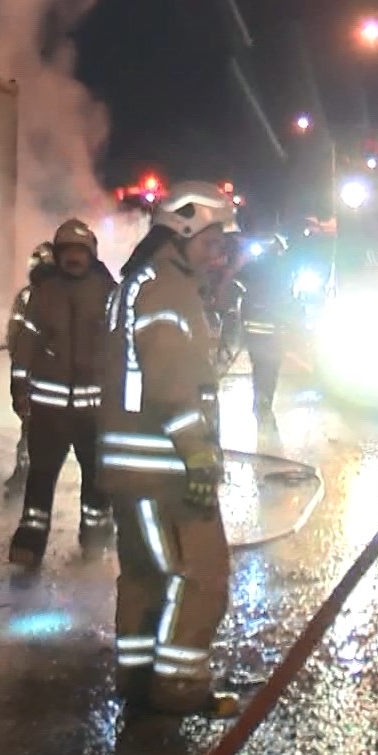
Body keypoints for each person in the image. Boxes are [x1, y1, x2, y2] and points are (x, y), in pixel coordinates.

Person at [98, 181, 241, 717]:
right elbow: (169, 383)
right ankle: (178, 690)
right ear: (181, 231)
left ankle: (137, 679)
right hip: (162, 468)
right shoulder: (166, 289)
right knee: (201, 575)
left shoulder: (142, 283)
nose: (218, 253)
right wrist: (198, 453)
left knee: (143, 575)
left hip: (133, 465)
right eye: (212, 240)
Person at [7, 221, 115, 565]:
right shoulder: (44, 293)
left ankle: (95, 538)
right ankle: (30, 541)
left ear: (91, 256)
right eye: (67, 252)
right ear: (58, 255)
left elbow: (121, 346)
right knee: (40, 477)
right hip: (49, 412)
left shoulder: (108, 293)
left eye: (80, 252)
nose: (73, 259)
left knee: (97, 479)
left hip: (93, 412)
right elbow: (26, 343)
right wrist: (19, 385)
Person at [4, 242, 55, 496]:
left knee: (31, 432)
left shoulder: (28, 296)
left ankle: (23, 481)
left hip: (38, 380)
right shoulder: (60, 295)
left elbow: (15, 335)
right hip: (49, 380)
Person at [237, 232, 294, 423]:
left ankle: (259, 401)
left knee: (259, 367)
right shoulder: (284, 269)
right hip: (273, 331)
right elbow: (287, 302)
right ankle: (264, 403)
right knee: (270, 369)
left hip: (254, 330)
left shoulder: (254, 267)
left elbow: (239, 284)